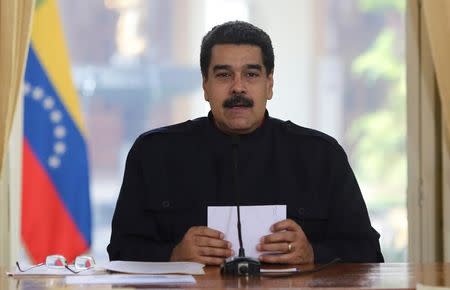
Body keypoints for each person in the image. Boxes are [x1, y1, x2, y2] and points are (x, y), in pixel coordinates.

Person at [107, 20, 384, 265]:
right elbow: (120, 250)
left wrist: (313, 253)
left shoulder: (320, 155)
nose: (238, 87)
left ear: (269, 84)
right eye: (224, 75)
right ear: (205, 85)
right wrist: (173, 255)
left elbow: (368, 251)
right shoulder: (154, 153)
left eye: (251, 74)